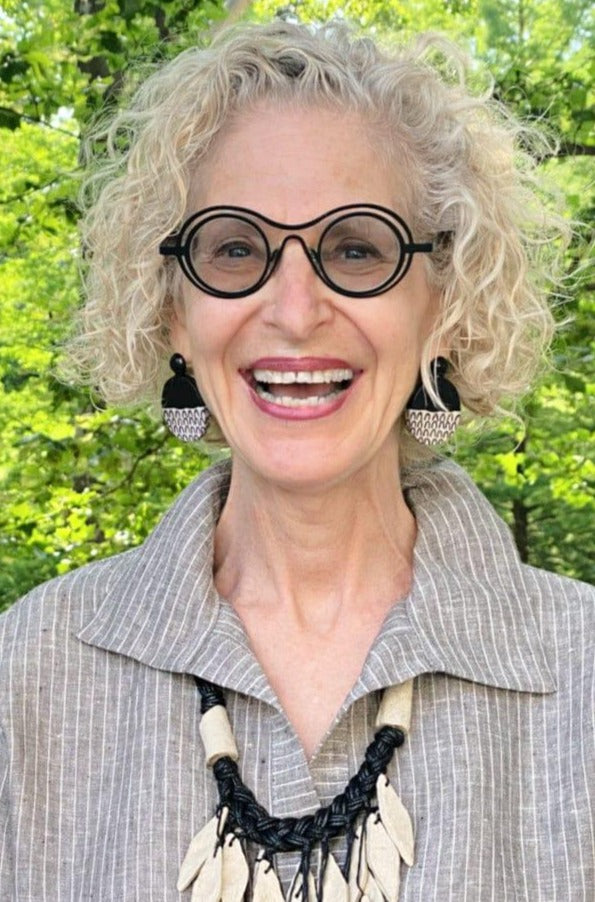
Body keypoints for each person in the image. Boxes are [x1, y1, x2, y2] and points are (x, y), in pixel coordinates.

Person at [0, 20, 592, 902]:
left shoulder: (582, 673)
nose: (294, 307)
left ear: (446, 300)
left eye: (357, 247)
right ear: (172, 312)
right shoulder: (28, 673)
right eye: (234, 248)